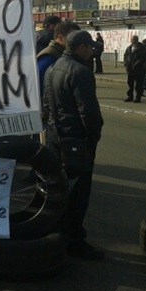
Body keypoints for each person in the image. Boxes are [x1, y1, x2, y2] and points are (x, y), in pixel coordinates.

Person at [43, 30, 104, 260]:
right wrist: (93, 137)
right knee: (79, 194)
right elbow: (88, 112)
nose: (92, 52)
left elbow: (47, 104)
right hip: (76, 141)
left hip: (56, 139)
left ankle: (60, 233)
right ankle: (75, 241)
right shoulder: (80, 71)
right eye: (90, 48)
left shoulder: (53, 67)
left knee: (61, 190)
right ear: (81, 48)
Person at [37, 21, 81, 97]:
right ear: (60, 38)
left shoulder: (62, 53)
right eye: (72, 37)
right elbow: (39, 86)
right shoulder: (49, 57)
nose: (76, 41)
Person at [123, 35, 145, 103]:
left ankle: (138, 97)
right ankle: (130, 96)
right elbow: (125, 56)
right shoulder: (129, 48)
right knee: (130, 83)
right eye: (133, 40)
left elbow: (143, 58)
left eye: (135, 40)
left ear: (137, 40)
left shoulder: (141, 48)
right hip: (130, 69)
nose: (134, 41)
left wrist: (136, 64)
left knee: (138, 84)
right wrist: (126, 64)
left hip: (138, 69)